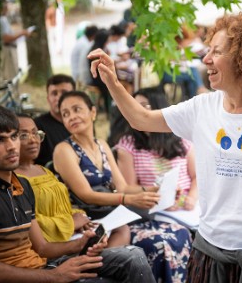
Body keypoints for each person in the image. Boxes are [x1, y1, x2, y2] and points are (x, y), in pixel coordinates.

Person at [88, 12, 242, 283]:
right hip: (207, 251)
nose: (205, 59)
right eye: (207, 51)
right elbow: (141, 119)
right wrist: (112, 82)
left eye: (216, 52)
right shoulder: (202, 107)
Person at [0, 105, 156, 283]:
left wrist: (79, 244)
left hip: (42, 265)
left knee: (134, 256)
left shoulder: (23, 185)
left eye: (13, 137)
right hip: (27, 275)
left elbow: (42, 248)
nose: (11, 146)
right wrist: (54, 276)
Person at [53, 91, 193, 283]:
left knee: (179, 232)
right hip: (91, 220)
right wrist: (127, 199)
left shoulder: (101, 144)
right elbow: (86, 195)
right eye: (65, 114)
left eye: (77, 109)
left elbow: (123, 186)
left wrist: (153, 190)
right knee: (160, 242)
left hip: (116, 216)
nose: (72, 116)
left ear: (93, 112)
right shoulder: (64, 150)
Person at [15, 114, 130, 246]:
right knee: (130, 256)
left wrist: (80, 218)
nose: (33, 140)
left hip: (73, 233)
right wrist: (71, 223)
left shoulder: (43, 170)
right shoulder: (13, 180)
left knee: (122, 229)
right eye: (23, 135)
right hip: (52, 245)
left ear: (93, 112)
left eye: (35, 133)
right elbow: (30, 223)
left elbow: (64, 208)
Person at [113, 87, 198, 211]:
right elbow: (129, 188)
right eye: (135, 107)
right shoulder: (128, 144)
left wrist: (191, 198)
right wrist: (160, 200)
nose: (138, 112)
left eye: (144, 106)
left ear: (159, 107)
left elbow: (197, 176)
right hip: (153, 209)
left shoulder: (181, 137)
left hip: (188, 209)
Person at [34, 74, 75, 166]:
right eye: (54, 93)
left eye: (64, 93)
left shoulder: (82, 122)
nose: (58, 98)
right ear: (48, 99)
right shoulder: (37, 126)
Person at [0, 0, 32, 86]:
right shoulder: (1, 19)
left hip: (10, 49)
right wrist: (22, 33)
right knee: (11, 78)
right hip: (8, 50)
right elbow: (6, 38)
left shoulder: (4, 19)